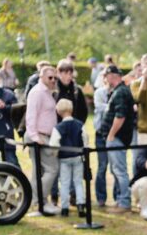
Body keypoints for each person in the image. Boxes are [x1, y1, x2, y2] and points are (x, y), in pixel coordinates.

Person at [98, 65, 135, 214]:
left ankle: (124, 202)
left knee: (120, 171)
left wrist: (111, 134)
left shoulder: (120, 92)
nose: (104, 79)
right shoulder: (121, 90)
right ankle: (121, 200)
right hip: (119, 137)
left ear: (111, 76)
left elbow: (120, 116)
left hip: (117, 138)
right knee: (117, 170)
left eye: (105, 76)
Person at [24, 65, 59, 215]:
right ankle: (40, 201)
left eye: (54, 78)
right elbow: (30, 116)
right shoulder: (37, 92)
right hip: (39, 137)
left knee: (39, 172)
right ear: (41, 77)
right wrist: (35, 137)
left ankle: (38, 202)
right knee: (52, 169)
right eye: (50, 77)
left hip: (46, 137)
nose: (53, 80)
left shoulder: (47, 92)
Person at [49, 99, 88, 217]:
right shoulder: (80, 124)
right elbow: (85, 138)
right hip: (78, 157)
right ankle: (81, 205)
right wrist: (84, 150)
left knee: (64, 183)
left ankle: (65, 208)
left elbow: (54, 144)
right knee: (78, 182)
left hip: (64, 158)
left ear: (59, 111)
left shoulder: (58, 128)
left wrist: (55, 154)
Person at [92, 71, 112, 206]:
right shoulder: (99, 93)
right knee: (102, 166)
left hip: (115, 134)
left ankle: (118, 196)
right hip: (101, 134)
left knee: (116, 168)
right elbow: (100, 107)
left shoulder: (119, 91)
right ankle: (101, 197)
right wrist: (114, 106)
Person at [0, 79, 18, 166]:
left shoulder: (8, 94)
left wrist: (5, 106)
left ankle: (18, 180)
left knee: (12, 163)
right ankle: (3, 179)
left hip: (6, 133)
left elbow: (17, 110)